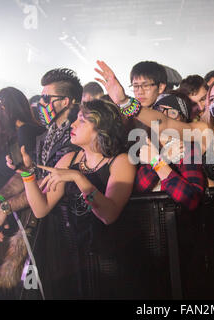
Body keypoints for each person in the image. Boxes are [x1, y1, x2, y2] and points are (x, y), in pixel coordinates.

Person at [94, 60, 214, 295]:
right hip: (205, 235)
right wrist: (124, 101)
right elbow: (163, 122)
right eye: (212, 97)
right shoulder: (203, 131)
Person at [0, 69, 82, 298]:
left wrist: (3, 209)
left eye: (47, 98)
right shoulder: (50, 133)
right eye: (41, 97)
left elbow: (46, 183)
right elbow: (27, 173)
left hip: (65, 234)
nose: (42, 103)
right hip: (42, 233)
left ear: (66, 101)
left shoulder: (74, 137)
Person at [19, 100, 135, 299]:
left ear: (101, 128)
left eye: (81, 121)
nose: (72, 125)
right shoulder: (70, 159)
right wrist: (27, 173)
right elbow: (41, 209)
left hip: (108, 260)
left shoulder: (121, 161)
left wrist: (78, 178)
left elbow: (109, 215)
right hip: (72, 258)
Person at [135, 92, 205, 210]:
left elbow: (191, 199)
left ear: (181, 122)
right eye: (159, 110)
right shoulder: (146, 144)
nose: (164, 115)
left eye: (173, 112)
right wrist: (165, 157)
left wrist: (156, 161)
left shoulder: (186, 147)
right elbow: (138, 189)